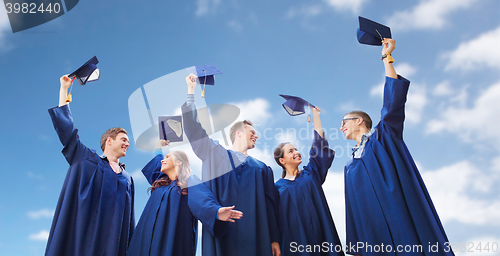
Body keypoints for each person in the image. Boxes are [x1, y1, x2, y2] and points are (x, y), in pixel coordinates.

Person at [342, 39, 453, 255]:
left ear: (359, 121)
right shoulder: (349, 166)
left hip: (399, 215)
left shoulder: (384, 137)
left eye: (344, 121)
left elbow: (392, 104)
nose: (341, 127)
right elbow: (352, 209)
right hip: (374, 234)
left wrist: (387, 58)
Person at [182, 74, 281, 256]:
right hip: (223, 233)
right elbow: (194, 129)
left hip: (256, 236)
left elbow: (270, 205)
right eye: (252, 131)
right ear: (238, 133)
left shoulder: (262, 169)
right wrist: (191, 91)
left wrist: (274, 238)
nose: (256, 136)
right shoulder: (215, 153)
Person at [46, 75, 135, 256]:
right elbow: (68, 132)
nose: (127, 144)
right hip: (82, 240)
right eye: (123, 140)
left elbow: (129, 221)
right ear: (109, 141)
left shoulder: (128, 179)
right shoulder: (86, 159)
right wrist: (64, 90)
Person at [126, 141, 242, 256]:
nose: (163, 160)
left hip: (170, 238)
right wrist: (158, 147)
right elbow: (158, 161)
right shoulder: (160, 183)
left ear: (178, 162)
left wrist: (216, 212)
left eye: (168, 157)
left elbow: (201, 200)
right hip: (144, 239)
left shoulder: (188, 183)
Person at [274, 106, 344, 256]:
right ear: (282, 160)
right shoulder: (276, 189)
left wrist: (316, 117)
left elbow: (319, 147)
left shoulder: (311, 174)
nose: (297, 152)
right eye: (290, 151)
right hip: (297, 243)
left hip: (323, 234)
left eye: (296, 149)